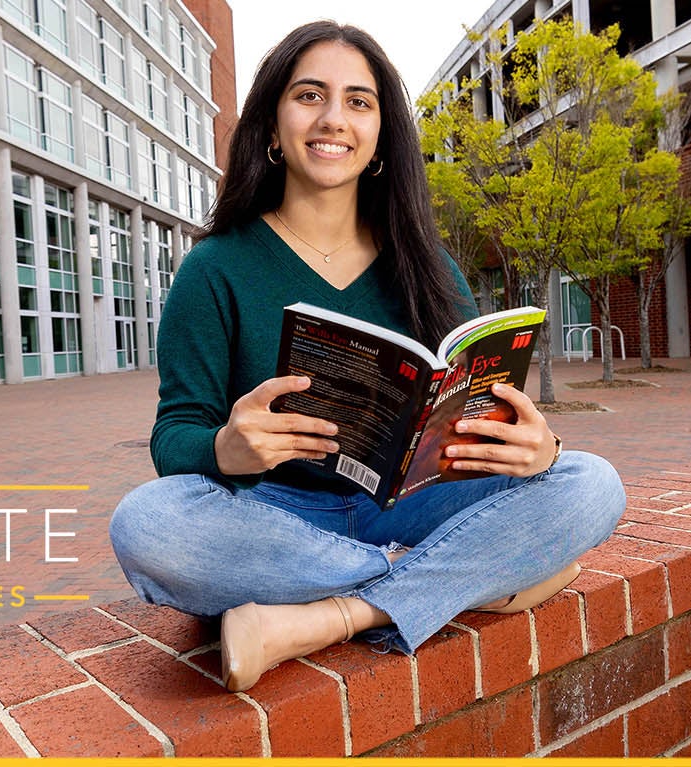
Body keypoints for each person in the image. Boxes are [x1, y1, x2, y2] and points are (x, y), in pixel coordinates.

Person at [107, 21, 626, 692]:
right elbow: (174, 435)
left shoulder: (429, 267)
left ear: (381, 138)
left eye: (358, 101)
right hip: (276, 514)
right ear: (271, 125)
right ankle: (464, 577)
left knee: (590, 482)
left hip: (413, 502)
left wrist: (539, 447)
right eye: (309, 95)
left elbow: (476, 410)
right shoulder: (215, 268)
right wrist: (226, 447)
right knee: (147, 525)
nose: (333, 119)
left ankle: (334, 614)